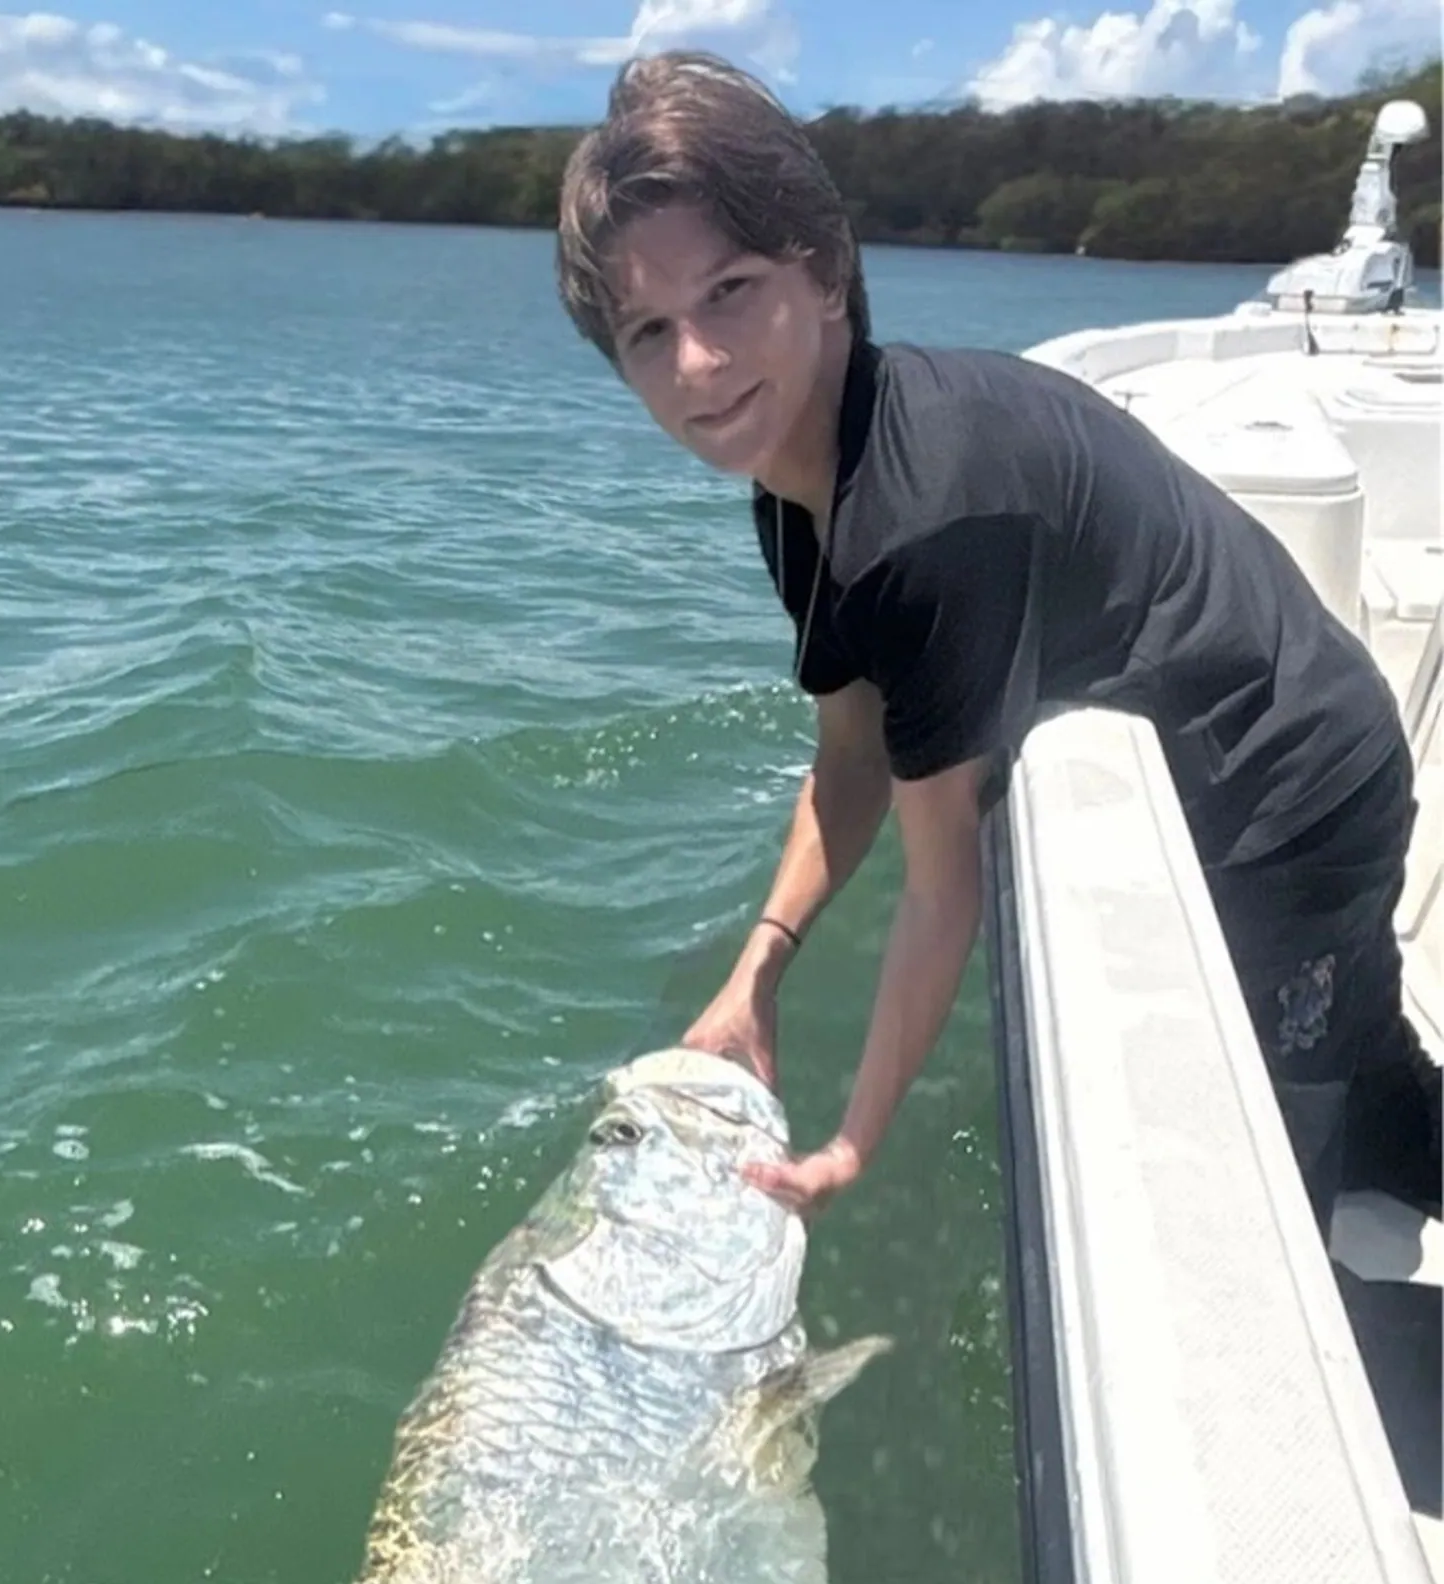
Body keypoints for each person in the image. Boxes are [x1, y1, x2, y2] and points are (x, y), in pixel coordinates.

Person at [554, 51, 1437, 1231]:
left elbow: (938, 891)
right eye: (647, 332)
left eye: (727, 290)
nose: (696, 367)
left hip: (1292, 797)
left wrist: (849, 1147)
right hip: (1288, 725)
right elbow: (850, 753)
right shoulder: (796, 478)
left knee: (1281, 1160)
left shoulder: (921, 520)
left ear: (821, 273)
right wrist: (756, 969)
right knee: (1383, 1096)